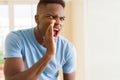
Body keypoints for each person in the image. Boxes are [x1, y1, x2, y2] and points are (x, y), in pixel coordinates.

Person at [4, 0, 76, 80]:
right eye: (52, 17)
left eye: (62, 18)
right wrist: (49, 54)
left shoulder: (68, 48)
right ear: (37, 19)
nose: (58, 22)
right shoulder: (16, 38)